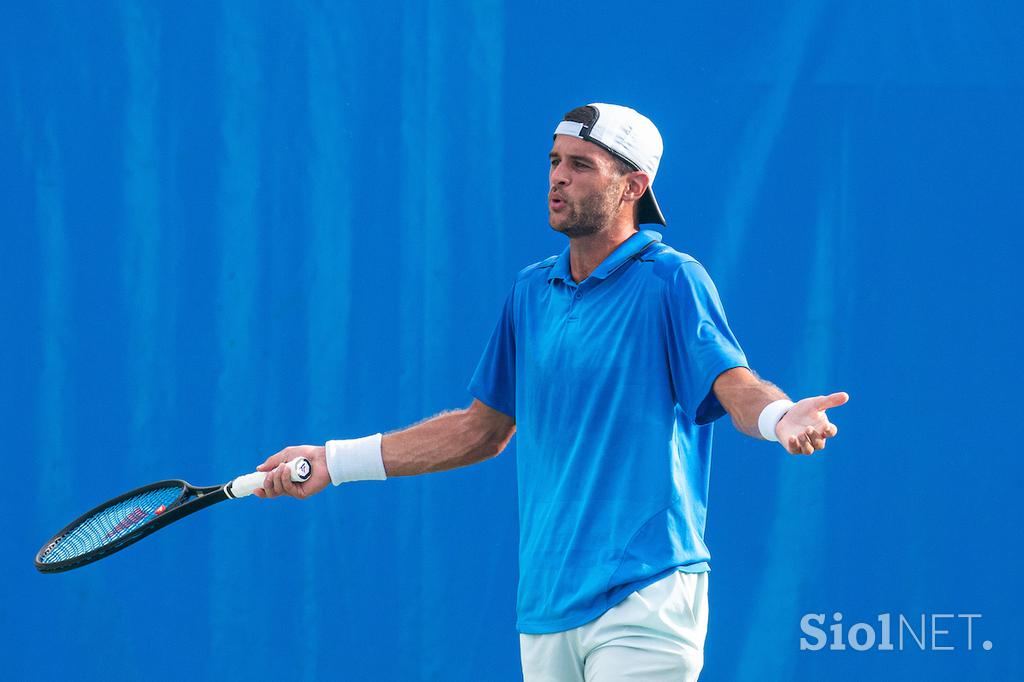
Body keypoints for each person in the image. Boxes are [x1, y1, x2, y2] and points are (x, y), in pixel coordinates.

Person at [254, 103, 848, 681]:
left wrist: (779, 415)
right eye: (555, 160)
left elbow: (732, 383)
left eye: (582, 164)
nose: (559, 176)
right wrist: (334, 460)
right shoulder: (530, 292)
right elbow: (480, 431)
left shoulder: (672, 280)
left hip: (646, 591)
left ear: (633, 185)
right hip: (544, 608)